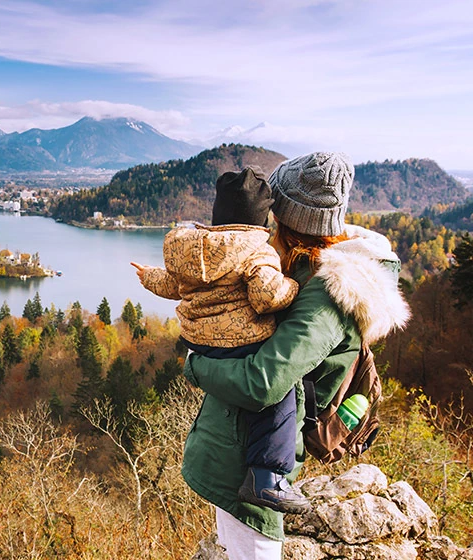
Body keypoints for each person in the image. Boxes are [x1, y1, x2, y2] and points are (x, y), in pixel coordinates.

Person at [181, 152, 411, 560]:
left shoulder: (327, 293)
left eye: (273, 212)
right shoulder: (297, 270)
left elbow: (262, 383)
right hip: (238, 456)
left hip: (250, 469)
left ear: (288, 219)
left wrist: (194, 364)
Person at [131, 166, 311, 513]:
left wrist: (148, 276)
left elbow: (173, 285)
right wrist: (292, 286)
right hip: (240, 341)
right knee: (279, 395)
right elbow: (265, 297)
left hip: (199, 341)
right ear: (262, 220)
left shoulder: (195, 248)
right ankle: (267, 479)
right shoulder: (257, 250)